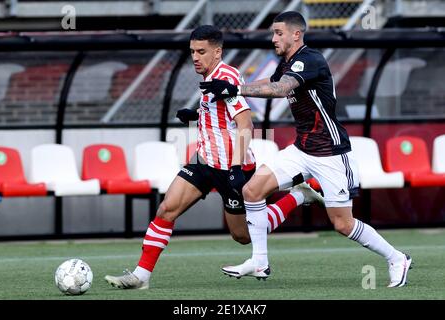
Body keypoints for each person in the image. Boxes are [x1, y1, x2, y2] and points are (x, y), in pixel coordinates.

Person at [200, 12, 412, 288]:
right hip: (301, 150)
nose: (273, 38)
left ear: (296, 34)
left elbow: (280, 89)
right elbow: (268, 83)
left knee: (342, 225)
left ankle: (397, 258)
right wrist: (231, 89)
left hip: (332, 153)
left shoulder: (311, 59)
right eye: (272, 33)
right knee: (251, 191)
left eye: (278, 33)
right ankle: (260, 261)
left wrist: (236, 88)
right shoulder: (288, 61)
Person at [104, 25, 324, 290]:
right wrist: (196, 115)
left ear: (217, 51)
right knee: (166, 209)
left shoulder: (228, 77)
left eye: (201, 51)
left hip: (234, 167)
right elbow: (220, 117)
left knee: (243, 236)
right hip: (204, 162)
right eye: (192, 52)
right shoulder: (209, 78)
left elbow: (245, 126)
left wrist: (234, 169)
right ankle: (141, 276)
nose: (195, 57)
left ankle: (299, 195)